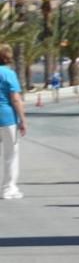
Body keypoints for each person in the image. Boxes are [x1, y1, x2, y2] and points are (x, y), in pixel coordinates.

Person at [0, 44, 27, 200]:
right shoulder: (8, 74)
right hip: (7, 118)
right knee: (11, 154)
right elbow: (15, 99)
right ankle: (8, 189)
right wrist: (23, 120)